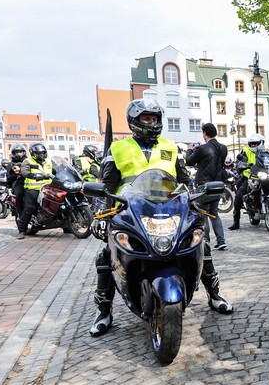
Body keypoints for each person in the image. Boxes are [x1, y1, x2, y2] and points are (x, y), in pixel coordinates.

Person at [90, 98, 233, 337]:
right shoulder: (118, 148)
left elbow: (184, 180)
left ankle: (214, 294)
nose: (152, 123)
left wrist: (194, 199)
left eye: (155, 119)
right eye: (147, 118)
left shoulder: (170, 146)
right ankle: (103, 311)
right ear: (135, 121)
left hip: (169, 209)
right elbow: (108, 184)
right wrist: (101, 215)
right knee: (106, 255)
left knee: (201, 244)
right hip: (131, 210)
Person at [186, 123, 228, 250]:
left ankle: (206, 241)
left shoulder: (202, 148)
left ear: (204, 133)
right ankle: (221, 241)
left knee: (203, 214)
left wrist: (189, 149)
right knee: (214, 213)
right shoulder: (223, 148)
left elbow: (189, 161)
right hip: (218, 184)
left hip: (204, 185)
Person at [16, 143, 55, 239]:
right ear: (33, 153)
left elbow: (57, 170)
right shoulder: (28, 161)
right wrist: (34, 176)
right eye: (38, 153)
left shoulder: (49, 161)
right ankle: (22, 230)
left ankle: (67, 226)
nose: (41, 155)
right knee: (30, 208)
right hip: (33, 189)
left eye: (43, 153)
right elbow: (24, 172)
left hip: (48, 188)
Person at [229, 133, 264, 230]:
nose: (253, 145)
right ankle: (236, 223)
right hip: (249, 177)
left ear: (260, 143)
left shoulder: (264, 152)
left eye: (255, 143)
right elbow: (240, 161)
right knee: (238, 199)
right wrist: (242, 166)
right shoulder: (245, 151)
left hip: (263, 177)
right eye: (251, 144)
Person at [6, 144, 27, 220]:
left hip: (30, 181)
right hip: (17, 182)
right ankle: (21, 215)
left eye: (20, 152)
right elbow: (8, 178)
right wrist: (16, 174)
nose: (18, 154)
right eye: (17, 152)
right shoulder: (11, 164)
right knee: (20, 193)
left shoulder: (28, 162)